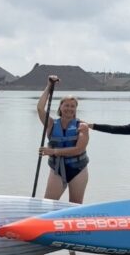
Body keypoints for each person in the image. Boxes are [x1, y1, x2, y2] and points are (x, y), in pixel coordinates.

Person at [37, 76, 90, 204]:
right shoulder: (51, 124)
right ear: (60, 107)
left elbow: (78, 150)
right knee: (48, 204)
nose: (69, 109)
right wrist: (49, 86)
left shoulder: (82, 126)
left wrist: (53, 151)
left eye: (72, 106)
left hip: (78, 169)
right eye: (66, 105)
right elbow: (40, 108)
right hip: (57, 169)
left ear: (76, 109)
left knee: (75, 205)